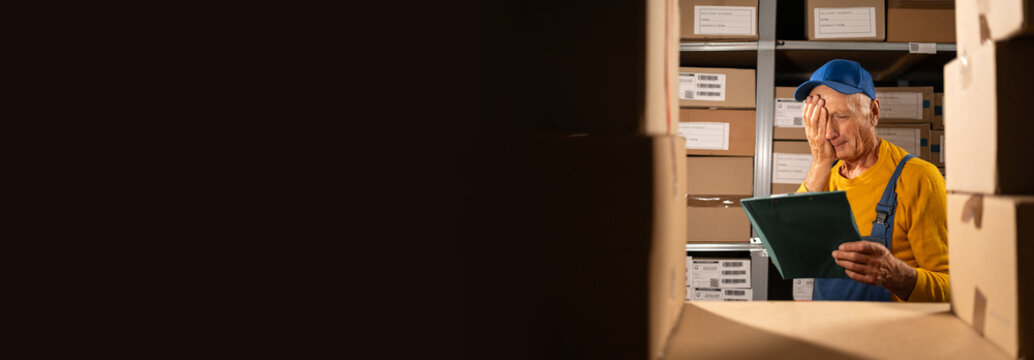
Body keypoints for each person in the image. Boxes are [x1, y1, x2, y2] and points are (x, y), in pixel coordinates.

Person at [793, 59, 949, 302]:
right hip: (828, 332)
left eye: (840, 116)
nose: (828, 133)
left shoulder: (918, 178)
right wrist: (820, 164)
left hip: (892, 336)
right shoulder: (823, 178)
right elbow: (793, 251)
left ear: (874, 112)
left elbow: (952, 288)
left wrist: (897, 276)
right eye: (820, 120)